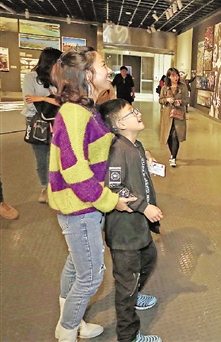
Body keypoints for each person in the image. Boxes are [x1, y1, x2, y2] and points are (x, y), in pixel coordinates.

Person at [48, 47, 136, 342]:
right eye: (103, 64)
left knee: (76, 265)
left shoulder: (85, 109)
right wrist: (111, 201)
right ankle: (67, 332)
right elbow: (74, 171)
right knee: (90, 276)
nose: (108, 70)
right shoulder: (74, 113)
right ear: (87, 75)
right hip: (80, 208)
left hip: (85, 205)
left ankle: (70, 323)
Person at [98, 99, 163, 342]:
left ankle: (134, 294)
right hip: (124, 232)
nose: (138, 114)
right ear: (120, 124)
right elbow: (115, 187)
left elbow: (137, 169)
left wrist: (147, 160)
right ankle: (128, 336)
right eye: (131, 112)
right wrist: (144, 207)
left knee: (149, 258)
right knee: (125, 285)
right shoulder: (117, 151)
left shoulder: (136, 146)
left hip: (138, 227)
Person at [21, 47, 62, 203]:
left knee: (56, 155)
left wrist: (42, 99)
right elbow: (29, 103)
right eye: (58, 61)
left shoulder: (58, 78)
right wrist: (50, 100)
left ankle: (55, 187)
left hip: (57, 121)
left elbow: (63, 101)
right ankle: (45, 187)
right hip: (37, 122)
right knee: (41, 157)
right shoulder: (31, 78)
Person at [159, 68, 189, 167]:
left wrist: (181, 102)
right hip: (167, 115)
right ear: (168, 77)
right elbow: (160, 100)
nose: (176, 77)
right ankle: (172, 153)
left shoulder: (183, 87)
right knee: (168, 136)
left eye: (177, 75)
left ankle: (173, 157)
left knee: (176, 135)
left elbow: (187, 100)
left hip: (179, 114)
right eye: (173, 76)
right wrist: (167, 100)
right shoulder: (165, 88)